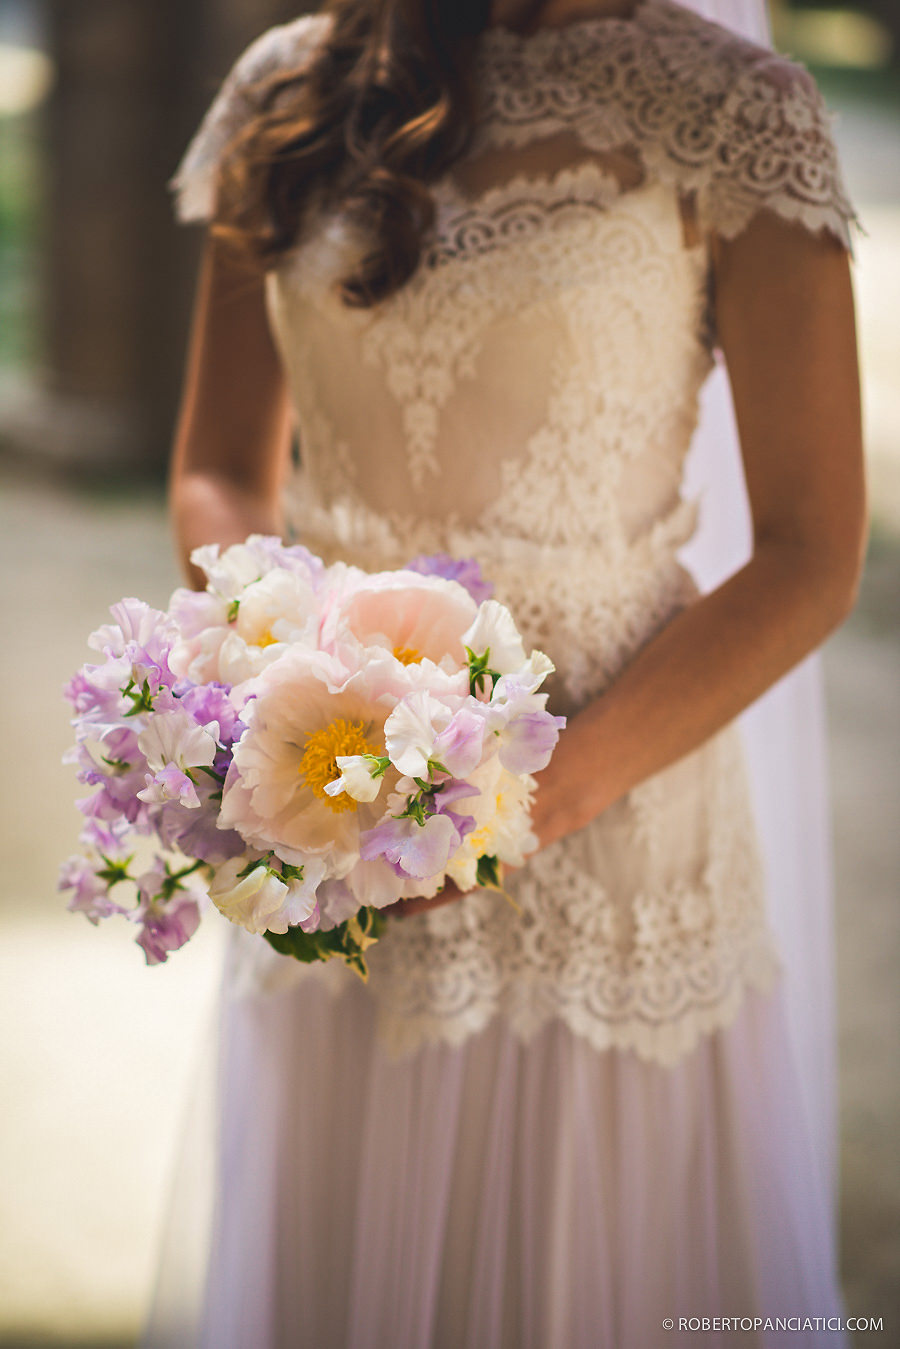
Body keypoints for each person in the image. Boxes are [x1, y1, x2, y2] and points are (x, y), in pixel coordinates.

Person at [146, 0, 866, 1344]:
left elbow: (815, 551)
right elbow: (222, 468)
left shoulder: (735, 114)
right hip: (333, 818)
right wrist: (267, 681)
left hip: (619, 834)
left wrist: (526, 803)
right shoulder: (286, 91)